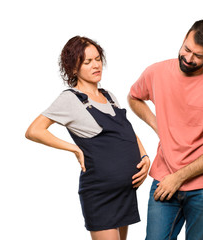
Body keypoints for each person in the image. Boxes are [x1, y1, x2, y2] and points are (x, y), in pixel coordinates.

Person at [25, 36, 150, 240]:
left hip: (125, 193)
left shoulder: (108, 96)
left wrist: (144, 156)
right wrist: (73, 148)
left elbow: (126, 132)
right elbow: (34, 131)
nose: (96, 65)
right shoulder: (70, 99)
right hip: (101, 194)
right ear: (73, 68)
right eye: (87, 62)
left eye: (98, 59)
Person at [128, 20, 203, 240]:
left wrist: (178, 177)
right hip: (164, 179)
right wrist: (156, 124)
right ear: (183, 40)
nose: (188, 58)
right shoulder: (157, 72)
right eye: (186, 49)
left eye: (198, 56)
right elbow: (134, 97)